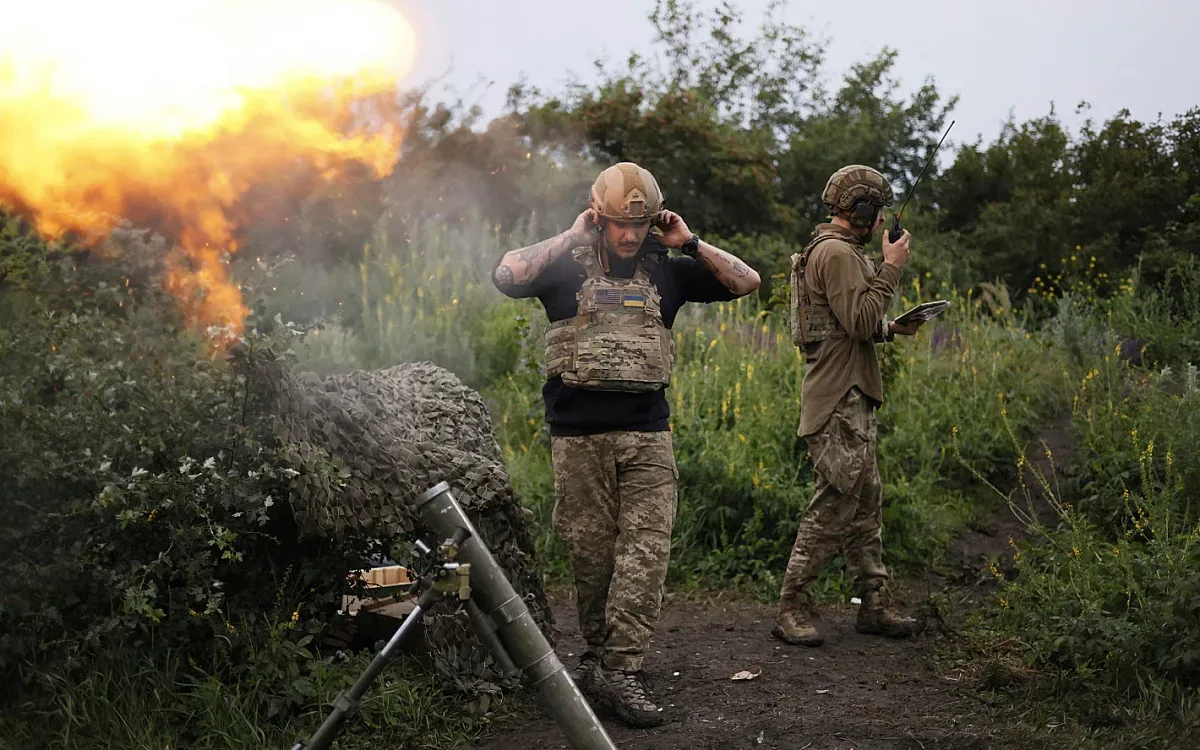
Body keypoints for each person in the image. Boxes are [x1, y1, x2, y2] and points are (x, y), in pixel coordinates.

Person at [491, 161, 760, 727]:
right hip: (579, 439)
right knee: (592, 559)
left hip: (647, 435)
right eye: (617, 224)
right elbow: (505, 275)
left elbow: (746, 282)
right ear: (600, 217)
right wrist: (571, 235)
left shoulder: (668, 270)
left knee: (646, 552)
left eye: (639, 226)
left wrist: (690, 242)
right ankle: (596, 661)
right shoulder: (565, 267)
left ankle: (623, 668)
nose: (629, 235)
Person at [773, 164, 924, 648]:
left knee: (864, 505)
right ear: (860, 210)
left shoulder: (839, 253)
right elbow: (859, 321)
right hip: (838, 398)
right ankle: (792, 606)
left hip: (851, 394)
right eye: (877, 212)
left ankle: (874, 603)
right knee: (834, 503)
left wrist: (893, 327)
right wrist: (892, 266)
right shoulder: (837, 254)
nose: (882, 222)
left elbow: (847, 323)